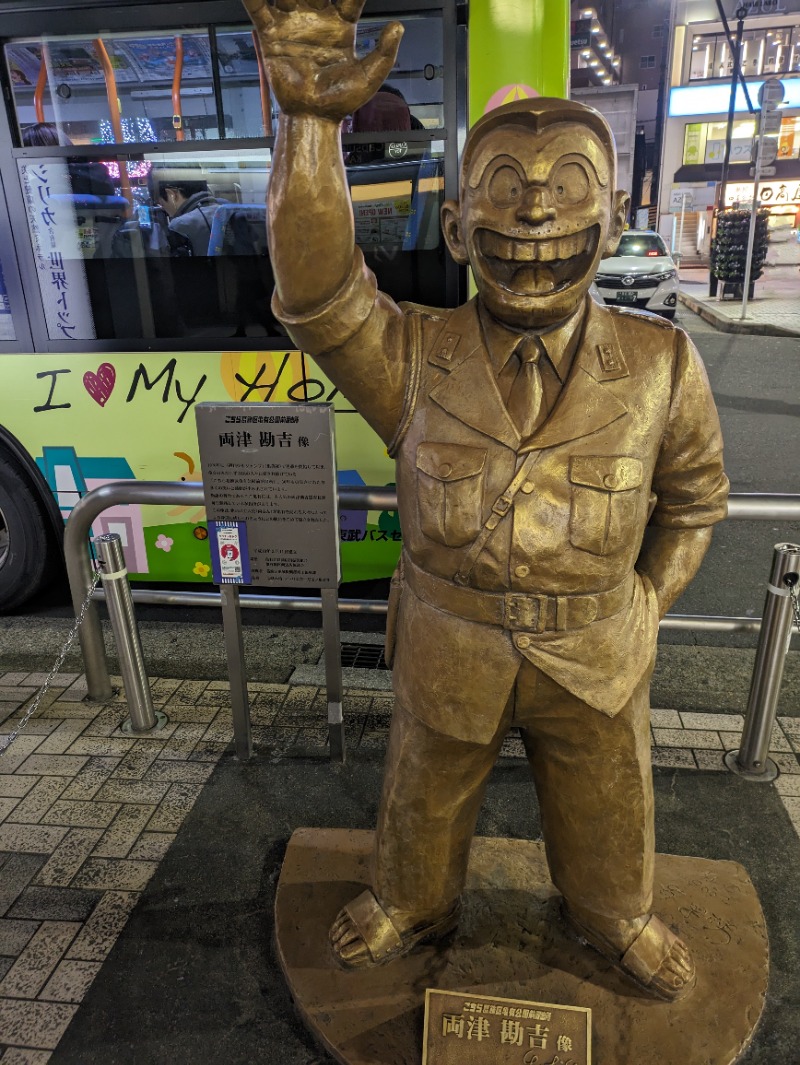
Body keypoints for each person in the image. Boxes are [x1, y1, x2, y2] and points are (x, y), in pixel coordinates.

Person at [247, 0, 728, 1003]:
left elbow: (693, 501)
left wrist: (646, 602)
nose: (536, 216)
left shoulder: (657, 364)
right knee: (418, 806)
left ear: (610, 223)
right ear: (460, 229)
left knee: (608, 831)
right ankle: (409, 903)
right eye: (505, 193)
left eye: (565, 191)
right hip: (449, 640)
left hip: (594, 648)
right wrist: (307, 125)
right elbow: (318, 293)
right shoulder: (414, 359)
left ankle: (615, 918)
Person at [155, 178, 220, 256]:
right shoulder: (225, 208)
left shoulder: (179, 225)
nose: (162, 208)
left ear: (172, 194)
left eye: (162, 204)